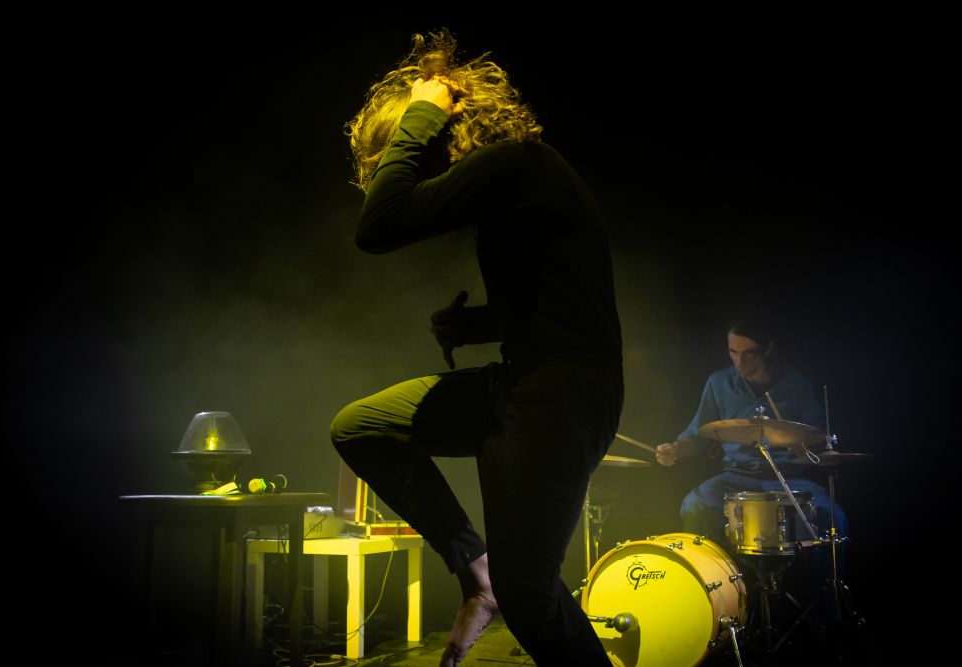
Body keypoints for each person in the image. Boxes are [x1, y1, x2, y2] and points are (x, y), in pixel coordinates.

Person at [329, 31, 623, 667]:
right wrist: (474, 327)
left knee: (530, 595)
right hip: (522, 381)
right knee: (360, 427)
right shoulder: (517, 183)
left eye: (408, 151)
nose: (412, 171)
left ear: (441, 130)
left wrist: (421, 111)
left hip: (563, 394)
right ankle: (476, 571)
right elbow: (560, 305)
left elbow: (378, 226)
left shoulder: (521, 163)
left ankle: (502, 590)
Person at [656, 319, 849, 618]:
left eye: (748, 354)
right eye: (732, 352)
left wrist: (808, 449)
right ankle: (707, 605)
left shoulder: (797, 384)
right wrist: (676, 449)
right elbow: (696, 434)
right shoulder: (719, 383)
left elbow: (818, 439)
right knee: (694, 505)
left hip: (788, 478)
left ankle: (824, 615)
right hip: (735, 477)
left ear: (768, 349)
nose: (738, 362)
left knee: (833, 515)